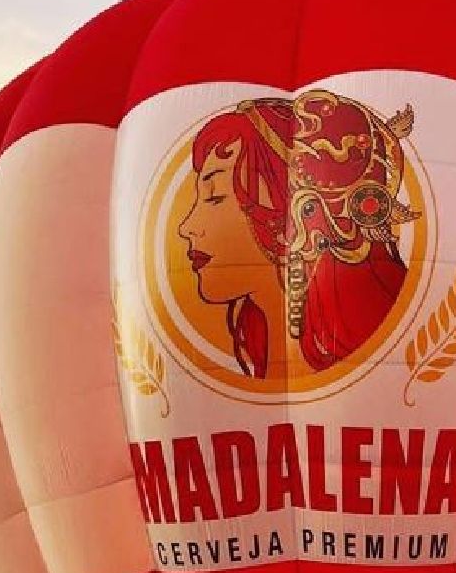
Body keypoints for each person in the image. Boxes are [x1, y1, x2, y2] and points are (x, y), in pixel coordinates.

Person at [177, 89, 418, 381]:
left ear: (298, 212)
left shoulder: (394, 348)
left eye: (214, 198)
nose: (185, 227)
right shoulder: (256, 344)